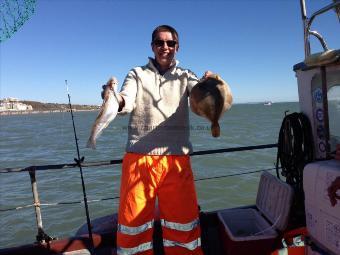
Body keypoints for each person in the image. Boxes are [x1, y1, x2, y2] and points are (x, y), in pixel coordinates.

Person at [104, 25, 212, 255]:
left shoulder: (187, 76)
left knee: (184, 224)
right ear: (152, 46)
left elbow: (199, 99)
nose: (165, 47)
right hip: (138, 160)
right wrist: (114, 99)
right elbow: (126, 101)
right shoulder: (136, 74)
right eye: (160, 42)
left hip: (176, 160)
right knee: (133, 226)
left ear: (177, 47)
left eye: (170, 43)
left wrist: (209, 88)